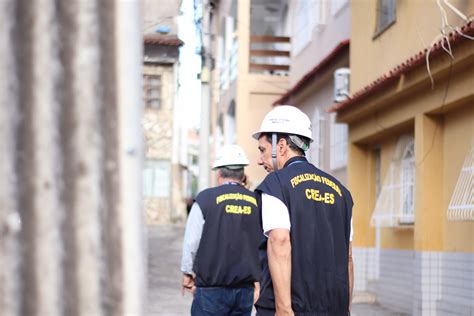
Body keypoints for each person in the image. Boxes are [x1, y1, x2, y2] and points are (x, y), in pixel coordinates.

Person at [252, 105, 354, 315]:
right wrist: (346, 309)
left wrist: (283, 309)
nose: (259, 160)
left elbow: (279, 241)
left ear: (280, 146)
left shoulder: (276, 184)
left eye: (262, 150)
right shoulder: (341, 192)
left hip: (290, 309)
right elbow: (348, 258)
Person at [181, 144, 262, 316]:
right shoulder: (256, 201)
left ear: (219, 173)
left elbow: (191, 241)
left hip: (211, 291)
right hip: (244, 291)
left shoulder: (205, 199)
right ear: (243, 175)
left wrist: (187, 272)